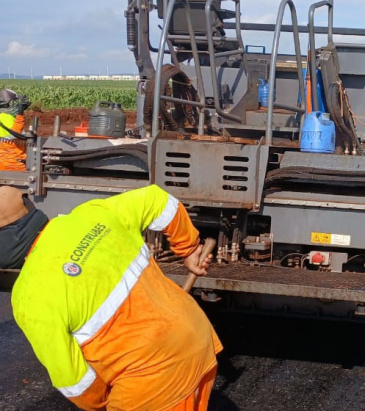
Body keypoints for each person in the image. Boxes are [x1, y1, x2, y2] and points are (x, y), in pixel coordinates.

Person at [1, 184, 222, 410]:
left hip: (151, 378)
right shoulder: (92, 213)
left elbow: (75, 382)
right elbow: (158, 199)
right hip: (195, 335)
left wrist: (103, 403)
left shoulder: (29, 295)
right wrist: (189, 249)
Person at [0, 88, 29, 171]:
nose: (16, 105)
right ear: (7, 104)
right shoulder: (6, 117)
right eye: (15, 103)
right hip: (13, 163)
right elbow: (16, 133)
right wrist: (20, 114)